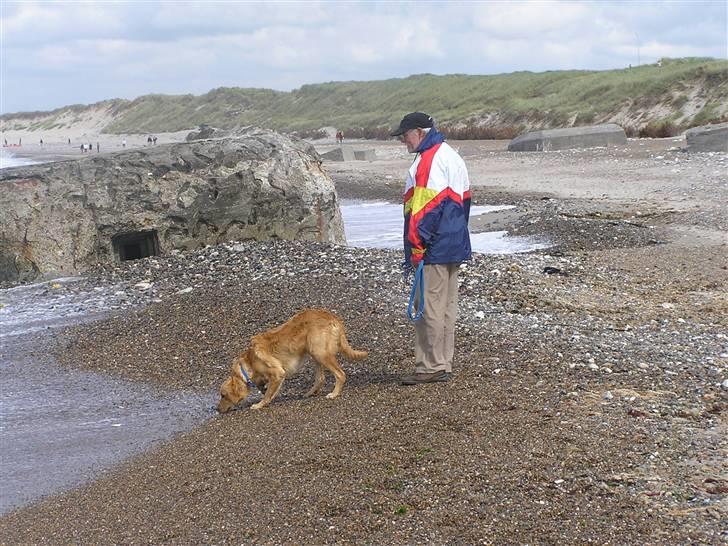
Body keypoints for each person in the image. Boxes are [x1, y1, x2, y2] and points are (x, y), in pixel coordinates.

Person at [391, 112, 472, 385]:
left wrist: (416, 247)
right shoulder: (452, 155)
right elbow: (466, 202)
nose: (404, 141)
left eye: (405, 135)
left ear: (420, 132)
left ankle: (430, 365)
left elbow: (424, 209)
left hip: (434, 246)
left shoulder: (429, 160)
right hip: (454, 241)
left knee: (427, 307)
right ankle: (443, 362)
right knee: (446, 306)